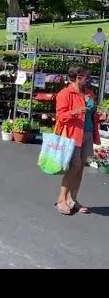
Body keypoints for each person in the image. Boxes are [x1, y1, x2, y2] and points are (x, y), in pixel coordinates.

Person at [54, 66, 101, 215]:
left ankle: (72, 200)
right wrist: (75, 112)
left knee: (80, 168)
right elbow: (60, 116)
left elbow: (93, 113)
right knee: (74, 166)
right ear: (78, 78)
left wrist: (100, 116)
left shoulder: (89, 93)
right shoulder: (65, 94)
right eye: (86, 77)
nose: (89, 79)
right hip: (72, 135)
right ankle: (62, 200)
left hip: (87, 134)